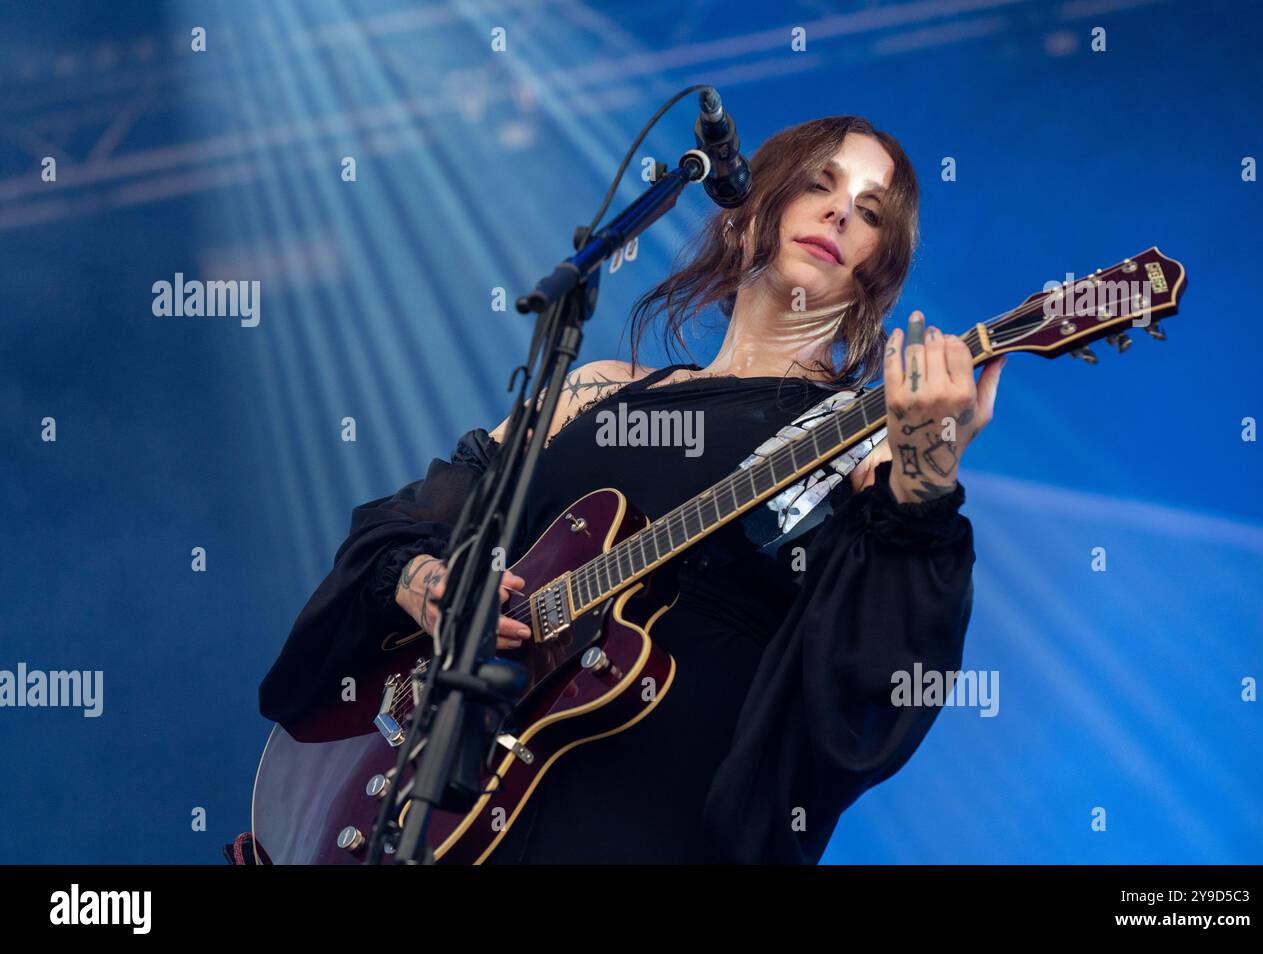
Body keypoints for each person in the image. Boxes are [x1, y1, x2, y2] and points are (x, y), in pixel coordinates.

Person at [257, 115, 1006, 864]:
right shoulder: (594, 392)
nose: (841, 212)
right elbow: (411, 522)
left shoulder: (865, 440)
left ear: (877, 267)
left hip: (644, 812)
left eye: (871, 212)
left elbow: (881, 679)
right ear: (749, 215)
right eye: (820, 184)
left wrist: (924, 482)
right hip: (450, 780)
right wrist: (428, 583)